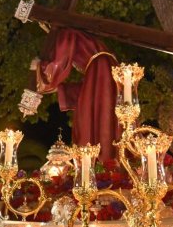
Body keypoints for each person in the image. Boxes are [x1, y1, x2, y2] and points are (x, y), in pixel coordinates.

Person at [33, 29, 121, 161]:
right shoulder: (97, 59)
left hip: (101, 68)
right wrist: (60, 89)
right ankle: (107, 161)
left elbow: (58, 65)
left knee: (93, 124)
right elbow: (87, 92)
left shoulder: (66, 33)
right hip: (108, 72)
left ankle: (101, 161)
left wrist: (40, 67)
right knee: (106, 119)